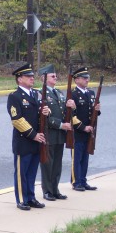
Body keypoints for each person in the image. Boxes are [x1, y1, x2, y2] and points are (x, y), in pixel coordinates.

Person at [7, 63, 50, 211]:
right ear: (19, 79)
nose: (32, 78)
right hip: (24, 140)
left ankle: (31, 197)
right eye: (28, 76)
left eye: (32, 76)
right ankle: (22, 199)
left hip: (37, 140)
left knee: (32, 172)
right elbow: (17, 120)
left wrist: (46, 111)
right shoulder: (15, 96)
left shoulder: (36, 94)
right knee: (21, 173)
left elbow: (40, 115)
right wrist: (33, 135)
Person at [38, 64, 76, 201]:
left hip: (60, 135)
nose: (56, 77)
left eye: (56, 75)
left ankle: (55, 189)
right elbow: (43, 118)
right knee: (48, 164)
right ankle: (47, 191)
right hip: (49, 134)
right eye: (52, 76)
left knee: (57, 164)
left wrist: (72, 107)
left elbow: (66, 113)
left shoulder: (59, 93)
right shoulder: (40, 94)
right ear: (43, 78)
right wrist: (61, 125)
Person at [70, 67, 101, 191]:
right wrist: (83, 127)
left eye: (87, 77)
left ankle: (83, 180)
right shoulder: (73, 94)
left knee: (85, 157)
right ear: (77, 80)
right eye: (84, 78)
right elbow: (71, 116)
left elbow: (94, 113)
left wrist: (97, 109)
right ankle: (76, 182)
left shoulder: (91, 93)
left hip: (89, 131)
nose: (87, 80)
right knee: (76, 158)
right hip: (77, 131)